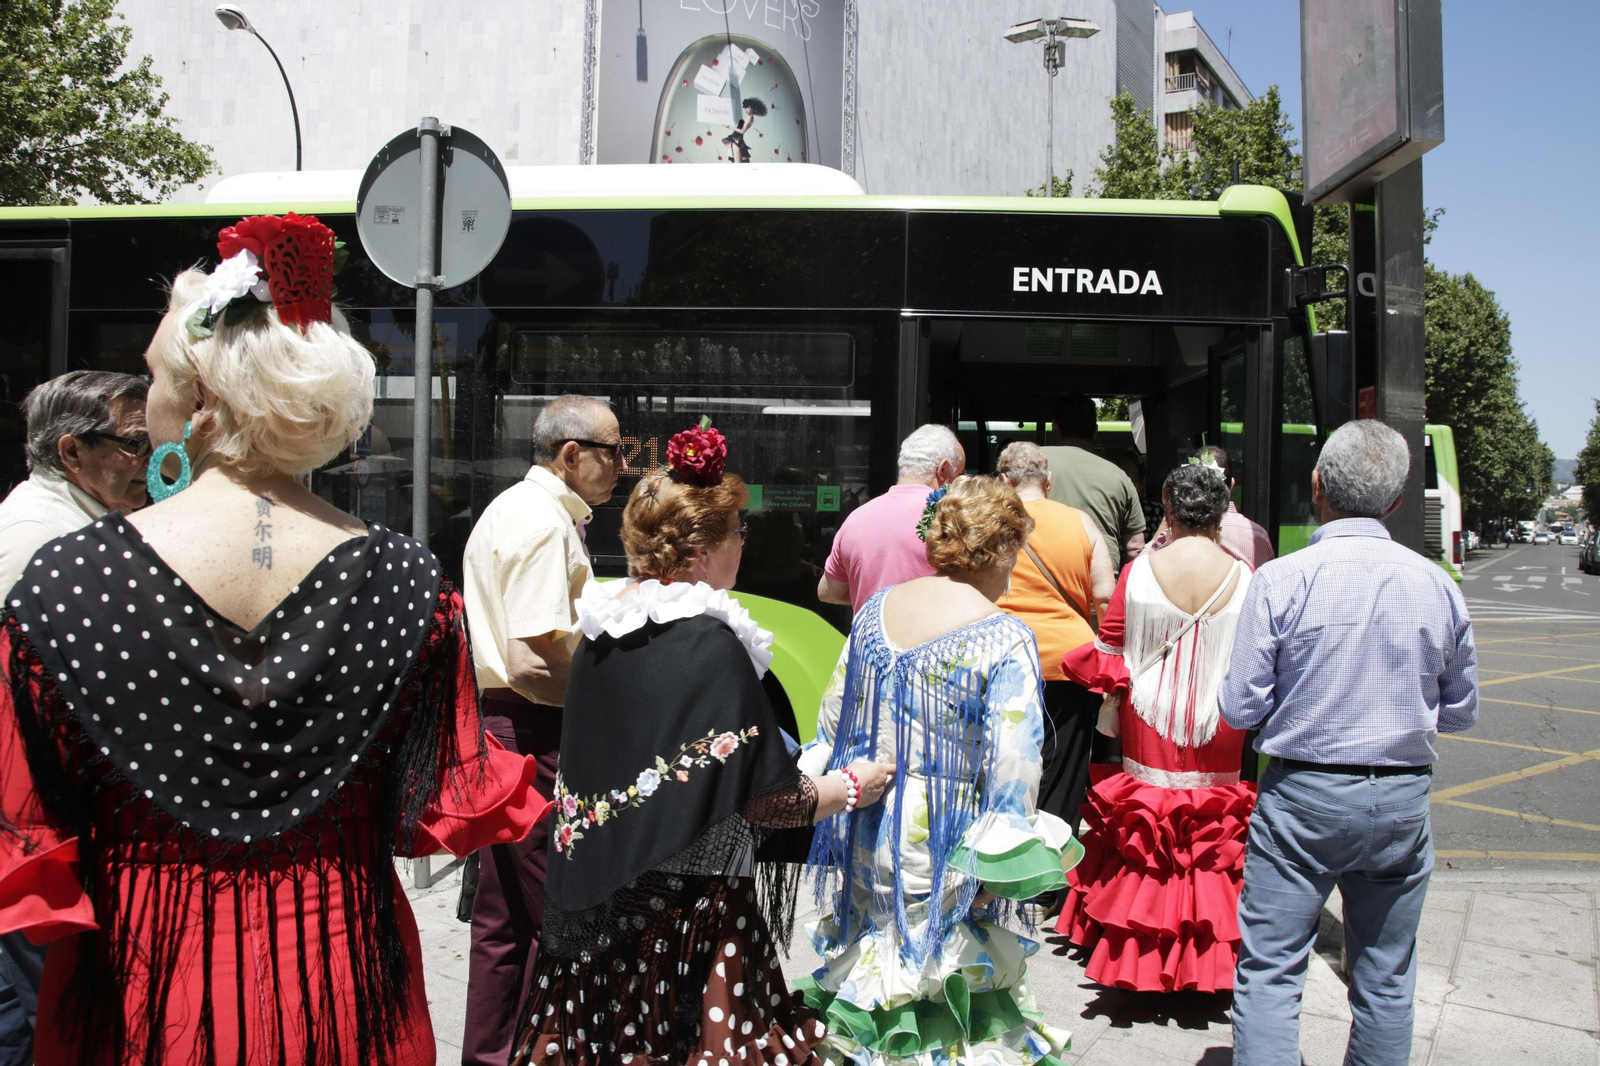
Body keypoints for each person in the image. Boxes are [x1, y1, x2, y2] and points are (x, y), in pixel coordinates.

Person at [0, 213, 549, 1065]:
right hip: (339, 985)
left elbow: (32, 818)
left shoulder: (69, 581)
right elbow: (425, 812)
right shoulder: (406, 583)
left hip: (144, 989)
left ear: (206, 394)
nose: (147, 405)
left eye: (154, 378)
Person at [512, 420, 894, 1066]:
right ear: (704, 548)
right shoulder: (710, 642)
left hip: (599, 913)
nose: (744, 543)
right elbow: (770, 801)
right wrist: (854, 785)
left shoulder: (608, 628)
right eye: (738, 530)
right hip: (689, 916)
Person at [1221, 420, 1479, 1066]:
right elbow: (1461, 709)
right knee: (1386, 979)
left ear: (1316, 487)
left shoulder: (1281, 580)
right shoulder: (1438, 586)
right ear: (1394, 503)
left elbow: (1239, 705)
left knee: (1272, 973)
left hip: (1302, 792)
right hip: (1399, 798)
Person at [800, 475, 1082, 1066]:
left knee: (878, 961)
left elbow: (835, 716)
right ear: (1003, 549)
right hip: (945, 833)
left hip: (868, 815)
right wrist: (1005, 847)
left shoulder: (877, 610)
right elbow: (1014, 761)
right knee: (937, 970)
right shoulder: (1004, 636)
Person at [461, 394, 628, 1066]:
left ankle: (495, 1053)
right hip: (533, 736)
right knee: (557, 918)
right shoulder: (540, 522)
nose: (624, 464)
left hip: (510, 730)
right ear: (570, 454)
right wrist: (616, 700)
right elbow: (533, 660)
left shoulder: (524, 511)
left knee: (503, 920)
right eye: (615, 450)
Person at [1054, 463, 1257, 992]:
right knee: (1212, 834)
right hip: (1220, 719)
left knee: (1147, 827)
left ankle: (1138, 955)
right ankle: (1211, 960)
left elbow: (1110, 650)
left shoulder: (1139, 571)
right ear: (1221, 511)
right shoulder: (1246, 576)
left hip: (1149, 714)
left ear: (1167, 508)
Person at [995, 441, 1115, 839]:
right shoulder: (1080, 522)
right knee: (1064, 768)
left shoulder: (992, 520)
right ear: (1049, 481)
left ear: (1003, 481)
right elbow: (1105, 598)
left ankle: (1000, 856)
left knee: (1004, 762)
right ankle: (1050, 875)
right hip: (1071, 661)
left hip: (1005, 658)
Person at [0, 370, 150, 595]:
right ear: (72, 452)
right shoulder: (37, 536)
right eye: (137, 443)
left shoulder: (84, 520)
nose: (152, 457)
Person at [817, 424, 964, 614]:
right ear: (943, 470)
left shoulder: (856, 519)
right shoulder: (952, 521)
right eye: (959, 474)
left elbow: (827, 592)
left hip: (868, 641)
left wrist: (872, 599)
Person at [1040, 395, 1146, 570]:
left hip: (1036, 582)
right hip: (1099, 584)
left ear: (1055, 428)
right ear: (1095, 432)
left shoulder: (1029, 464)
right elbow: (1135, 548)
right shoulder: (1119, 476)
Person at [1146, 445, 1275, 569]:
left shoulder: (1177, 532)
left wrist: (1166, 523)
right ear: (1232, 484)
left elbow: (1137, 569)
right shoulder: (1258, 536)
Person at [721, 96, 768, 162]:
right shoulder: (749, 117)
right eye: (745, 108)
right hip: (736, 140)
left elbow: (742, 131)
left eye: (748, 107)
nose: (746, 110)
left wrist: (728, 127)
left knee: (737, 164)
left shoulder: (750, 118)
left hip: (737, 141)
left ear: (753, 108)